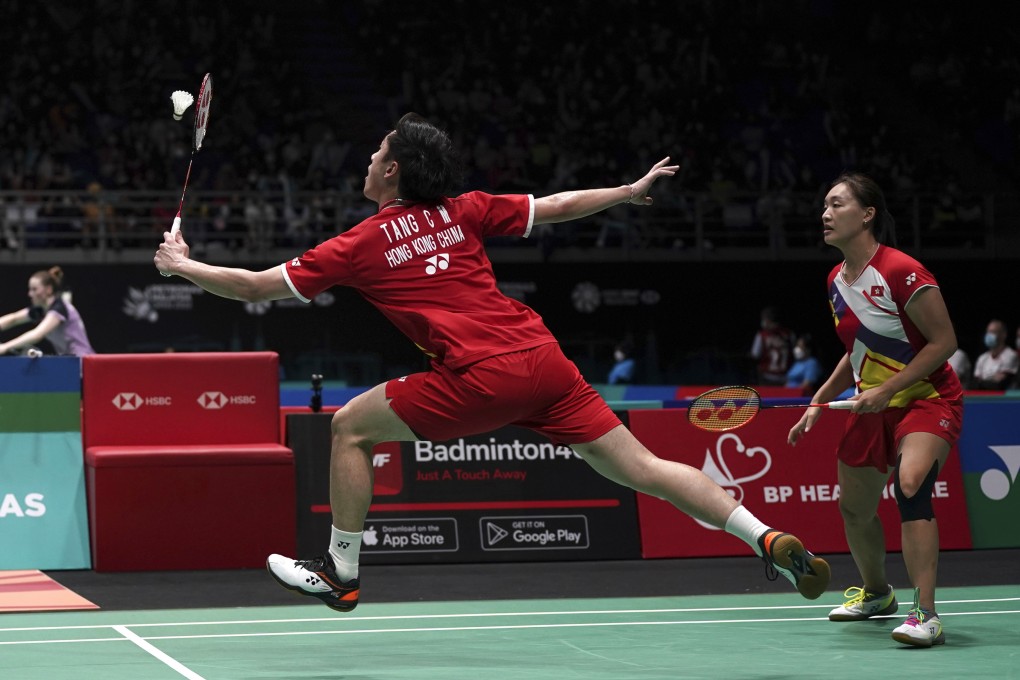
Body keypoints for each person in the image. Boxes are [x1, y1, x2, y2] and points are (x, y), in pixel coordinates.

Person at [155, 113, 830, 612]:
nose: (365, 161)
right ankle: (762, 535)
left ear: (392, 171)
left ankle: (342, 571)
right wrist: (626, 192)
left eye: (374, 154)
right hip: (545, 361)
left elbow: (250, 286)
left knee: (350, 428)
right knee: (646, 470)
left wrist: (183, 265)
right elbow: (555, 207)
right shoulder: (465, 209)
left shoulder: (360, 243)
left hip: (481, 373)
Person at [788, 172, 962, 648]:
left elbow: (944, 342)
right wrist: (820, 399)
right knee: (854, 508)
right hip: (871, 406)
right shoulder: (835, 281)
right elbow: (858, 349)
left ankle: (925, 614)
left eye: (836, 204)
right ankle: (878, 594)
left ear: (866, 214)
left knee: (911, 486)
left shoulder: (902, 270)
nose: (825, 213)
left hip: (926, 398)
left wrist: (889, 390)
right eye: (824, 204)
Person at [0, 266, 95, 357]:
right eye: (30, 289)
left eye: (34, 289)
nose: (30, 294)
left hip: (83, 362)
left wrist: (5, 346)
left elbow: (37, 334)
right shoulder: (41, 310)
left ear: (48, 290)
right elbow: (14, 318)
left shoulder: (59, 308)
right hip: (68, 361)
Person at [750, 306, 793, 385]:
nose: (763, 322)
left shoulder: (761, 335)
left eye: (765, 320)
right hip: (778, 377)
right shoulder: (789, 334)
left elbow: (755, 355)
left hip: (778, 378)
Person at [972, 319, 1018, 390]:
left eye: (993, 332)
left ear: (1003, 335)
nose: (988, 335)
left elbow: (999, 383)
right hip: (982, 398)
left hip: (1001, 399)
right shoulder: (982, 358)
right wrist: (990, 379)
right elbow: (975, 384)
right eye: (988, 332)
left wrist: (983, 381)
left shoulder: (1011, 355)